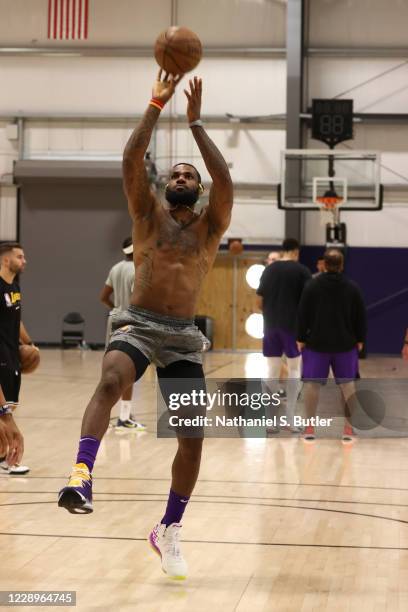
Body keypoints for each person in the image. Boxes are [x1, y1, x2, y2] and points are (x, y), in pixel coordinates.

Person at [58, 72, 233, 580]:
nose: (180, 178)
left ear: (198, 191)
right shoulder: (146, 215)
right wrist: (157, 103)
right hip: (137, 322)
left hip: (181, 336)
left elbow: (226, 180)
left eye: (188, 176)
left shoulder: (210, 226)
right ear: (162, 187)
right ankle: (81, 473)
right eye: (174, 174)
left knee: (192, 438)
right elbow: (131, 160)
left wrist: (197, 123)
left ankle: (169, 530)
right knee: (112, 379)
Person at [296, 249, 366, 442]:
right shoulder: (353, 288)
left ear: (324, 265)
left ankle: (309, 429)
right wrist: (360, 340)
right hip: (345, 345)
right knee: (348, 386)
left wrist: (301, 338)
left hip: (316, 345)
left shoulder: (311, 286)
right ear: (342, 265)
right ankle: (348, 430)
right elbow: (360, 316)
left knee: (312, 385)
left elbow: (302, 315)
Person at [256, 238, 311, 430]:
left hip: (270, 326)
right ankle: (289, 419)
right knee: (295, 370)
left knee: (271, 371)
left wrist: (272, 314)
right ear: (296, 251)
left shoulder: (269, 270)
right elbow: (307, 303)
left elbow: (259, 302)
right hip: (293, 327)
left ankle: (270, 421)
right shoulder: (302, 271)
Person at [100, 236, 145, 430]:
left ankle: (102, 416)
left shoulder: (116, 268)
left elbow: (103, 297)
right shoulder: (138, 270)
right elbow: (138, 301)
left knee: (109, 372)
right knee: (129, 371)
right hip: (130, 322)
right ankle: (124, 418)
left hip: (114, 319)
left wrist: (116, 308)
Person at [0, 242, 37, 474]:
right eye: (20, 257)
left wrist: (30, 344)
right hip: (1, 353)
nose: (24, 261)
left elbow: (17, 319)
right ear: (6, 260)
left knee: (9, 406)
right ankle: (5, 457)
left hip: (12, 352)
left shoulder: (14, 287)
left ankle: (4, 456)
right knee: (3, 409)